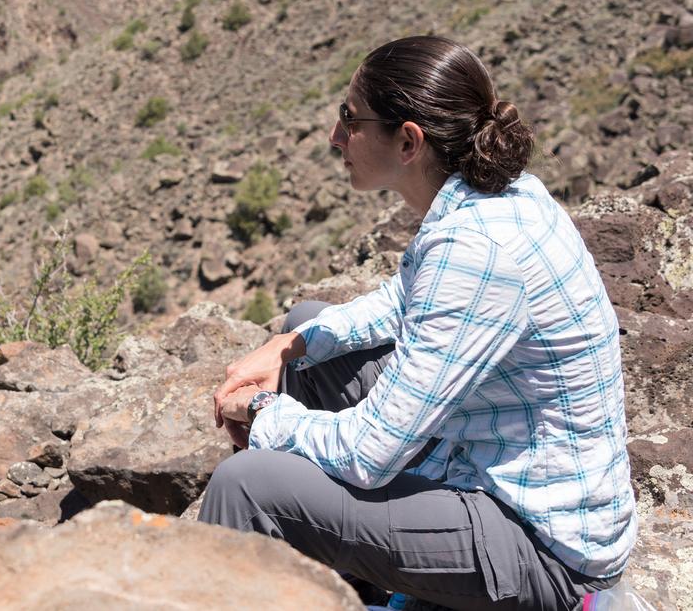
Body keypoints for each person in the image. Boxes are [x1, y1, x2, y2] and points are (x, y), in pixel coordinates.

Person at [200, 36, 636, 611]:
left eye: (348, 119)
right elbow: (402, 299)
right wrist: (289, 344)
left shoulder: (475, 248)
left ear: (408, 141)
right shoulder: (498, 194)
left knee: (246, 486)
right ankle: (343, 594)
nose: (335, 137)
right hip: (498, 476)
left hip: (543, 554)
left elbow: (369, 452)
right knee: (312, 334)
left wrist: (261, 415)